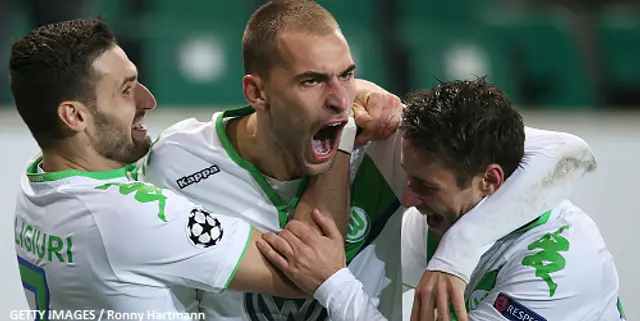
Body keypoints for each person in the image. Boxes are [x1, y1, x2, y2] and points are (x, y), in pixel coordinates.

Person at [140, 1, 596, 320]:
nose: (340, 100)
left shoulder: (386, 140)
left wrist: (456, 255)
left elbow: (567, 154)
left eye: (348, 75)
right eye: (312, 81)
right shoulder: (180, 160)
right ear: (256, 92)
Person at [9, 17, 394, 316]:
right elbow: (307, 268)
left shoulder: (40, 184)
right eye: (126, 90)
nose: (148, 100)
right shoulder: (132, 218)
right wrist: (342, 127)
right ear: (74, 116)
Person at [255, 78, 620, 321]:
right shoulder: (452, 203)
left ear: (490, 180)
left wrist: (334, 283)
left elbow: (571, 151)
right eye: (409, 177)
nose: (409, 197)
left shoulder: (560, 269)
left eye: (426, 186)